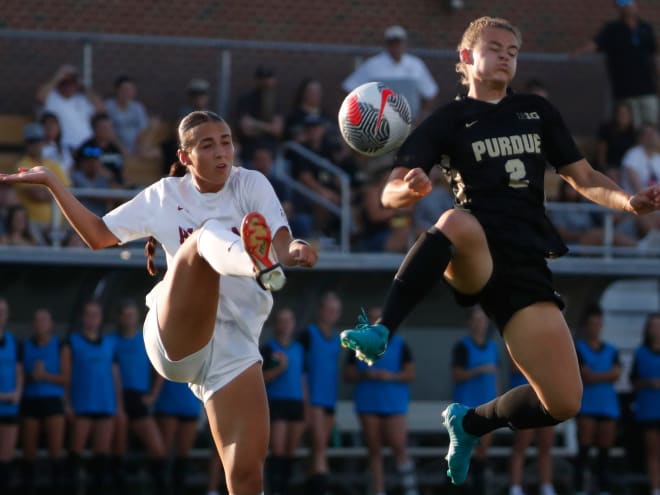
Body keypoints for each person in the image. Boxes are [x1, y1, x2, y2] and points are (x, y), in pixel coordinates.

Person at [338, 16, 660, 487]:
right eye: (495, 47)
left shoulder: (536, 111)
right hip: (475, 254)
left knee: (564, 401)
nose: (507, 55)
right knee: (455, 221)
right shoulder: (447, 121)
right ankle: (382, 329)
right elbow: (388, 194)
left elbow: (584, 177)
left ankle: (471, 423)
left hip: (527, 263)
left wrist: (628, 202)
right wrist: (409, 190)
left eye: (513, 49)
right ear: (466, 58)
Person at [0, 109, 318, 495]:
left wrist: (296, 249)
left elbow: (283, 241)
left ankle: (258, 262)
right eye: (207, 145)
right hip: (174, 335)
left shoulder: (251, 183)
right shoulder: (164, 195)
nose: (221, 152)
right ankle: (254, 262)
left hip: (236, 344)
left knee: (248, 475)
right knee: (204, 237)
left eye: (226, 142)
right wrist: (53, 183)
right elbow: (98, 235)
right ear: (185, 157)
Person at [343, 306, 418, 495]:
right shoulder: (358, 342)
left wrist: (390, 377)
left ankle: (410, 489)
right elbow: (348, 373)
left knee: (398, 445)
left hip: (393, 404)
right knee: (374, 449)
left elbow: (410, 373)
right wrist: (366, 375)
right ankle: (378, 490)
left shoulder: (400, 344)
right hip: (368, 403)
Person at [64, 300, 122, 493]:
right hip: (82, 404)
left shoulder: (109, 344)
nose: (92, 319)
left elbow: (115, 377)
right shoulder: (72, 342)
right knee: (76, 452)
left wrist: (118, 406)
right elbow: (66, 376)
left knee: (102, 455)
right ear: (82, 318)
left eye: (95, 314)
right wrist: (67, 403)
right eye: (88, 314)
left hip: (105, 404)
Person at [110, 298, 168, 492]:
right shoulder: (111, 342)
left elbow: (161, 368)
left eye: (132, 315)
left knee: (158, 450)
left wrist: (153, 395)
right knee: (118, 449)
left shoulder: (145, 339)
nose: (128, 319)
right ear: (119, 318)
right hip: (116, 399)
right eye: (125, 315)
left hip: (139, 399)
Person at [575, 0, 659, 128]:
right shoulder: (612, 29)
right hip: (625, 91)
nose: (629, 8)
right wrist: (577, 54)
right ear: (619, 9)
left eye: (630, 4)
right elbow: (596, 44)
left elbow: (654, 54)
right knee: (632, 127)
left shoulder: (645, 28)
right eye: (625, 5)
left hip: (647, 88)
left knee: (651, 124)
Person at [19, 307, 69, 494]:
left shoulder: (60, 345)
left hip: (53, 402)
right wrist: (33, 376)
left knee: (55, 451)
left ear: (51, 324)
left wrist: (45, 376)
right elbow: (20, 375)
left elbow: (66, 377)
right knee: (29, 453)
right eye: (37, 320)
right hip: (31, 401)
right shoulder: (25, 346)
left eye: (44, 320)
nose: (40, 324)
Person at [342, 25, 438, 122]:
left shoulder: (416, 65)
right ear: (386, 45)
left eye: (398, 43)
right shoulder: (373, 65)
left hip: (409, 124)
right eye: (392, 43)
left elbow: (429, 92)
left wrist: (421, 118)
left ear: (404, 44)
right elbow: (349, 87)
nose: (395, 47)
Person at [573, 304, 621, 495]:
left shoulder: (611, 349)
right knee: (584, 450)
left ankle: (603, 488)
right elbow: (587, 376)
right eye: (592, 324)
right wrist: (606, 375)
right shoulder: (579, 349)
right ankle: (579, 488)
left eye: (598, 323)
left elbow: (617, 374)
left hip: (608, 406)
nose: (595, 327)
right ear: (586, 326)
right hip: (587, 405)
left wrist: (597, 375)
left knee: (604, 451)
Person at [297, 291, 343, 495]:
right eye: (329, 309)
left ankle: (312, 485)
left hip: (329, 399)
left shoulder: (337, 340)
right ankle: (321, 489)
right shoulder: (307, 335)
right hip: (312, 399)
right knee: (318, 447)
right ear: (321, 311)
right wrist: (305, 401)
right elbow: (300, 372)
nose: (333, 314)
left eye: (336, 310)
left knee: (320, 448)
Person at [450, 307, 499, 494]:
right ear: (470, 323)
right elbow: (456, 375)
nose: (480, 324)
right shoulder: (462, 346)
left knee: (482, 453)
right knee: (464, 453)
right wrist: (478, 370)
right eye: (476, 320)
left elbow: (496, 380)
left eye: (483, 319)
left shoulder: (492, 347)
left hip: (487, 406)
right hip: (466, 407)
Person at [260, 307, 305, 495]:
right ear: (275, 324)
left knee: (290, 453)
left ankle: (285, 489)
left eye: (289, 321)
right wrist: (280, 369)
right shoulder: (268, 349)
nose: (286, 325)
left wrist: (307, 408)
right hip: (276, 403)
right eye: (282, 321)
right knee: (277, 452)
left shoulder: (299, 348)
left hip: (296, 403)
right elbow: (260, 378)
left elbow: (303, 378)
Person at [14, 122, 71, 243]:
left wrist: (48, 190)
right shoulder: (22, 165)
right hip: (34, 223)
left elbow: (69, 193)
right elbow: (36, 195)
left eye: (38, 140)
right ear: (26, 144)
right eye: (32, 141)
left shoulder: (54, 165)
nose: (36, 145)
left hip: (59, 223)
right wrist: (56, 191)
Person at [508, 361, 556, 495]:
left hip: (546, 400)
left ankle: (546, 486)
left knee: (546, 445)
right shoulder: (518, 341)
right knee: (521, 445)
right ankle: (515, 488)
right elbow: (516, 367)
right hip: (524, 400)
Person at [36, 64, 104, 151]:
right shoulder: (53, 97)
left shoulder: (82, 99)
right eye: (65, 83)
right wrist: (58, 76)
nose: (69, 86)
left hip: (87, 148)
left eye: (72, 82)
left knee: (100, 158)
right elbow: (39, 97)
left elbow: (102, 109)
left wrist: (83, 85)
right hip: (64, 148)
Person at [154, 379, 202, 495]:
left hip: (191, 404)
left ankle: (179, 490)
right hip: (168, 401)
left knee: (183, 455)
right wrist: (153, 396)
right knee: (163, 453)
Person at [629, 313, 660, 495]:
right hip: (649, 410)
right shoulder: (640, 353)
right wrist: (649, 383)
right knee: (653, 451)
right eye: (653, 326)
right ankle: (655, 488)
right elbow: (633, 381)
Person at [236, 65, 285, 164]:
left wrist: (255, 124)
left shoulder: (276, 102)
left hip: (271, 152)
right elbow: (246, 129)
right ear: (257, 80)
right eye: (263, 79)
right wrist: (269, 127)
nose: (266, 82)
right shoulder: (246, 100)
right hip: (250, 150)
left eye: (269, 78)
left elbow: (277, 130)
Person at [621, 124, 660, 236]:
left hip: (654, 206)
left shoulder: (658, 158)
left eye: (654, 134)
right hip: (634, 205)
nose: (652, 137)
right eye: (648, 134)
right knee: (646, 219)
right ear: (641, 138)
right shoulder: (633, 154)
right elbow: (635, 186)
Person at [0, 297, 21, 490]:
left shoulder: (13, 341)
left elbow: (19, 371)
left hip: (9, 407)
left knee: (6, 459)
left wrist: (16, 393)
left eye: (3, 311)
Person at [78, 112, 126, 186]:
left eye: (109, 127)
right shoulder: (88, 147)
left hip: (115, 186)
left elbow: (122, 168)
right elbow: (90, 168)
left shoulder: (115, 148)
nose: (107, 130)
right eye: (103, 127)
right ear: (94, 129)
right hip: (94, 186)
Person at [105, 75, 150, 154]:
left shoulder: (138, 108)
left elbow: (143, 130)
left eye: (130, 89)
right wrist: (122, 149)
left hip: (137, 147)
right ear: (116, 90)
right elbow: (108, 132)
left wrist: (141, 147)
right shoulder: (108, 107)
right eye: (124, 89)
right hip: (114, 147)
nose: (127, 92)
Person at [595, 101, 637, 178]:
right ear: (615, 115)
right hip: (610, 167)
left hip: (627, 168)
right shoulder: (607, 129)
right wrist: (603, 168)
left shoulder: (634, 132)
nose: (623, 116)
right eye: (620, 113)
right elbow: (601, 152)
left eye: (626, 113)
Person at [40, 111, 75, 176]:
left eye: (53, 123)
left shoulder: (65, 148)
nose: (49, 127)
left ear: (59, 128)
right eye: (46, 124)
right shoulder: (37, 148)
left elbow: (71, 167)